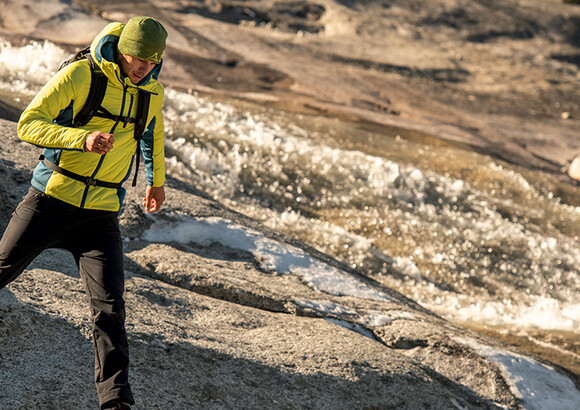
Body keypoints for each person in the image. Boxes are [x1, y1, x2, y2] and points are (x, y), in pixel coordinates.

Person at [0, 16, 168, 410]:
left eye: (152, 61)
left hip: (100, 214)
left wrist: (155, 181)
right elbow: (28, 124)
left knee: (110, 309)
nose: (143, 67)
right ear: (122, 47)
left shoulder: (152, 92)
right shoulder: (81, 74)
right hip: (50, 200)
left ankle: (115, 402)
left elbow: (152, 133)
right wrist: (82, 138)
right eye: (137, 58)